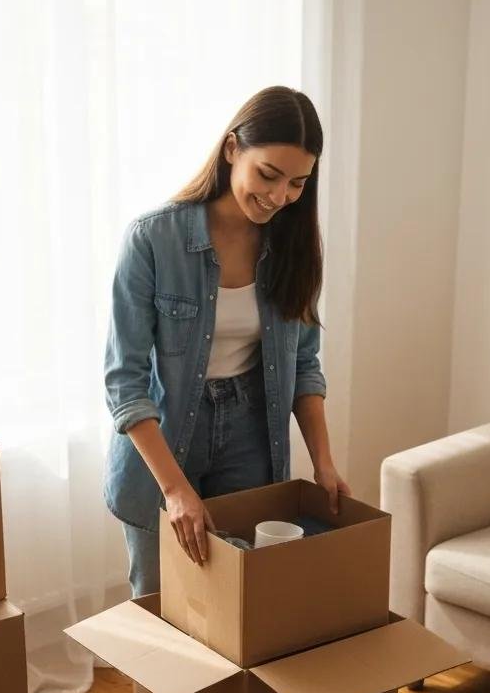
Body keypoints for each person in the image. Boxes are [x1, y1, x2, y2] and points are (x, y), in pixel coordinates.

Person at [104, 86, 350, 598]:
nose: (280, 196)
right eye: (268, 175)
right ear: (232, 149)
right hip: (165, 440)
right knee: (160, 606)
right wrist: (174, 489)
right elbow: (124, 383)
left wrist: (323, 463)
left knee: (241, 606)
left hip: (251, 438)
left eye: (298, 183)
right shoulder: (153, 240)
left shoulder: (294, 249)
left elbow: (304, 365)